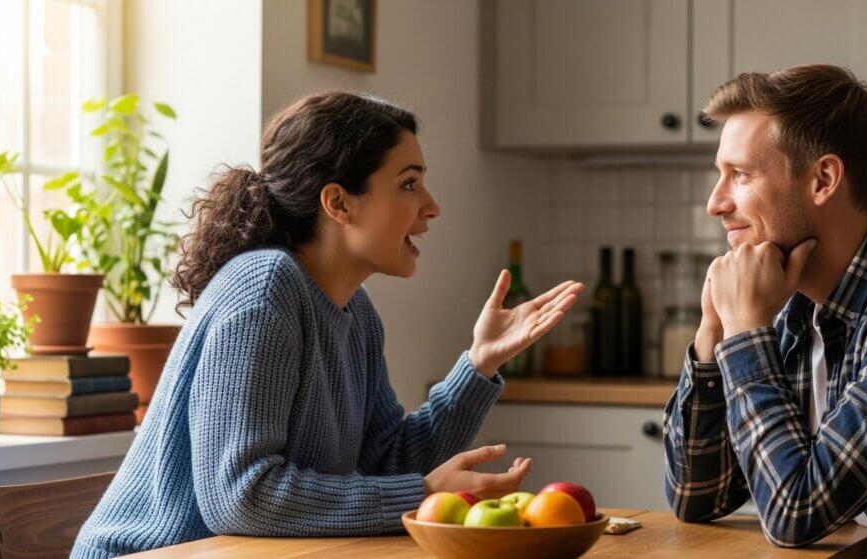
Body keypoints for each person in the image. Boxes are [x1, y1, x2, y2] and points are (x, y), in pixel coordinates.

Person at [72, 92, 583, 558]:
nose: (432, 206)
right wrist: (424, 494)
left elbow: (386, 459)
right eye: (409, 184)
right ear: (338, 202)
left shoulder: (355, 312)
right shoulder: (264, 291)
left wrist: (479, 362)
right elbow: (240, 497)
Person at [663, 64, 867, 558]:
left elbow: (797, 512)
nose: (714, 203)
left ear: (824, 179)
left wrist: (747, 331)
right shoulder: (791, 300)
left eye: (741, 175)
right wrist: (714, 329)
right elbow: (696, 497)